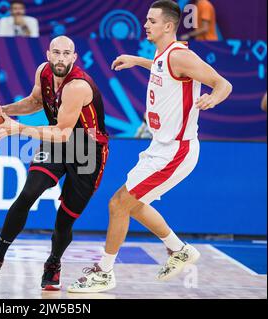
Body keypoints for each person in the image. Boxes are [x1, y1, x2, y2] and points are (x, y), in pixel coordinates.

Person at [68, 0, 232, 293]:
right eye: (146, 20)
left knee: (119, 204)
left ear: (168, 26)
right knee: (134, 204)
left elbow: (223, 84)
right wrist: (137, 60)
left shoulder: (181, 56)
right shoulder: (162, 54)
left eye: (152, 21)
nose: (145, 24)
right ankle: (179, 249)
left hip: (176, 151)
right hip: (160, 147)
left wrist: (212, 98)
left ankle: (105, 272)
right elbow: (162, 68)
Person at [0, 36, 109, 290]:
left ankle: (53, 263)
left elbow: (64, 133)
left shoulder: (77, 86)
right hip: (56, 141)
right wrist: (5, 112)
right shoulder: (43, 73)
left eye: (67, 53)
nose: (61, 58)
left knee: (64, 220)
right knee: (27, 194)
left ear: (74, 58)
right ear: (48, 54)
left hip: (86, 150)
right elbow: (35, 102)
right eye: (56, 52)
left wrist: (17, 129)